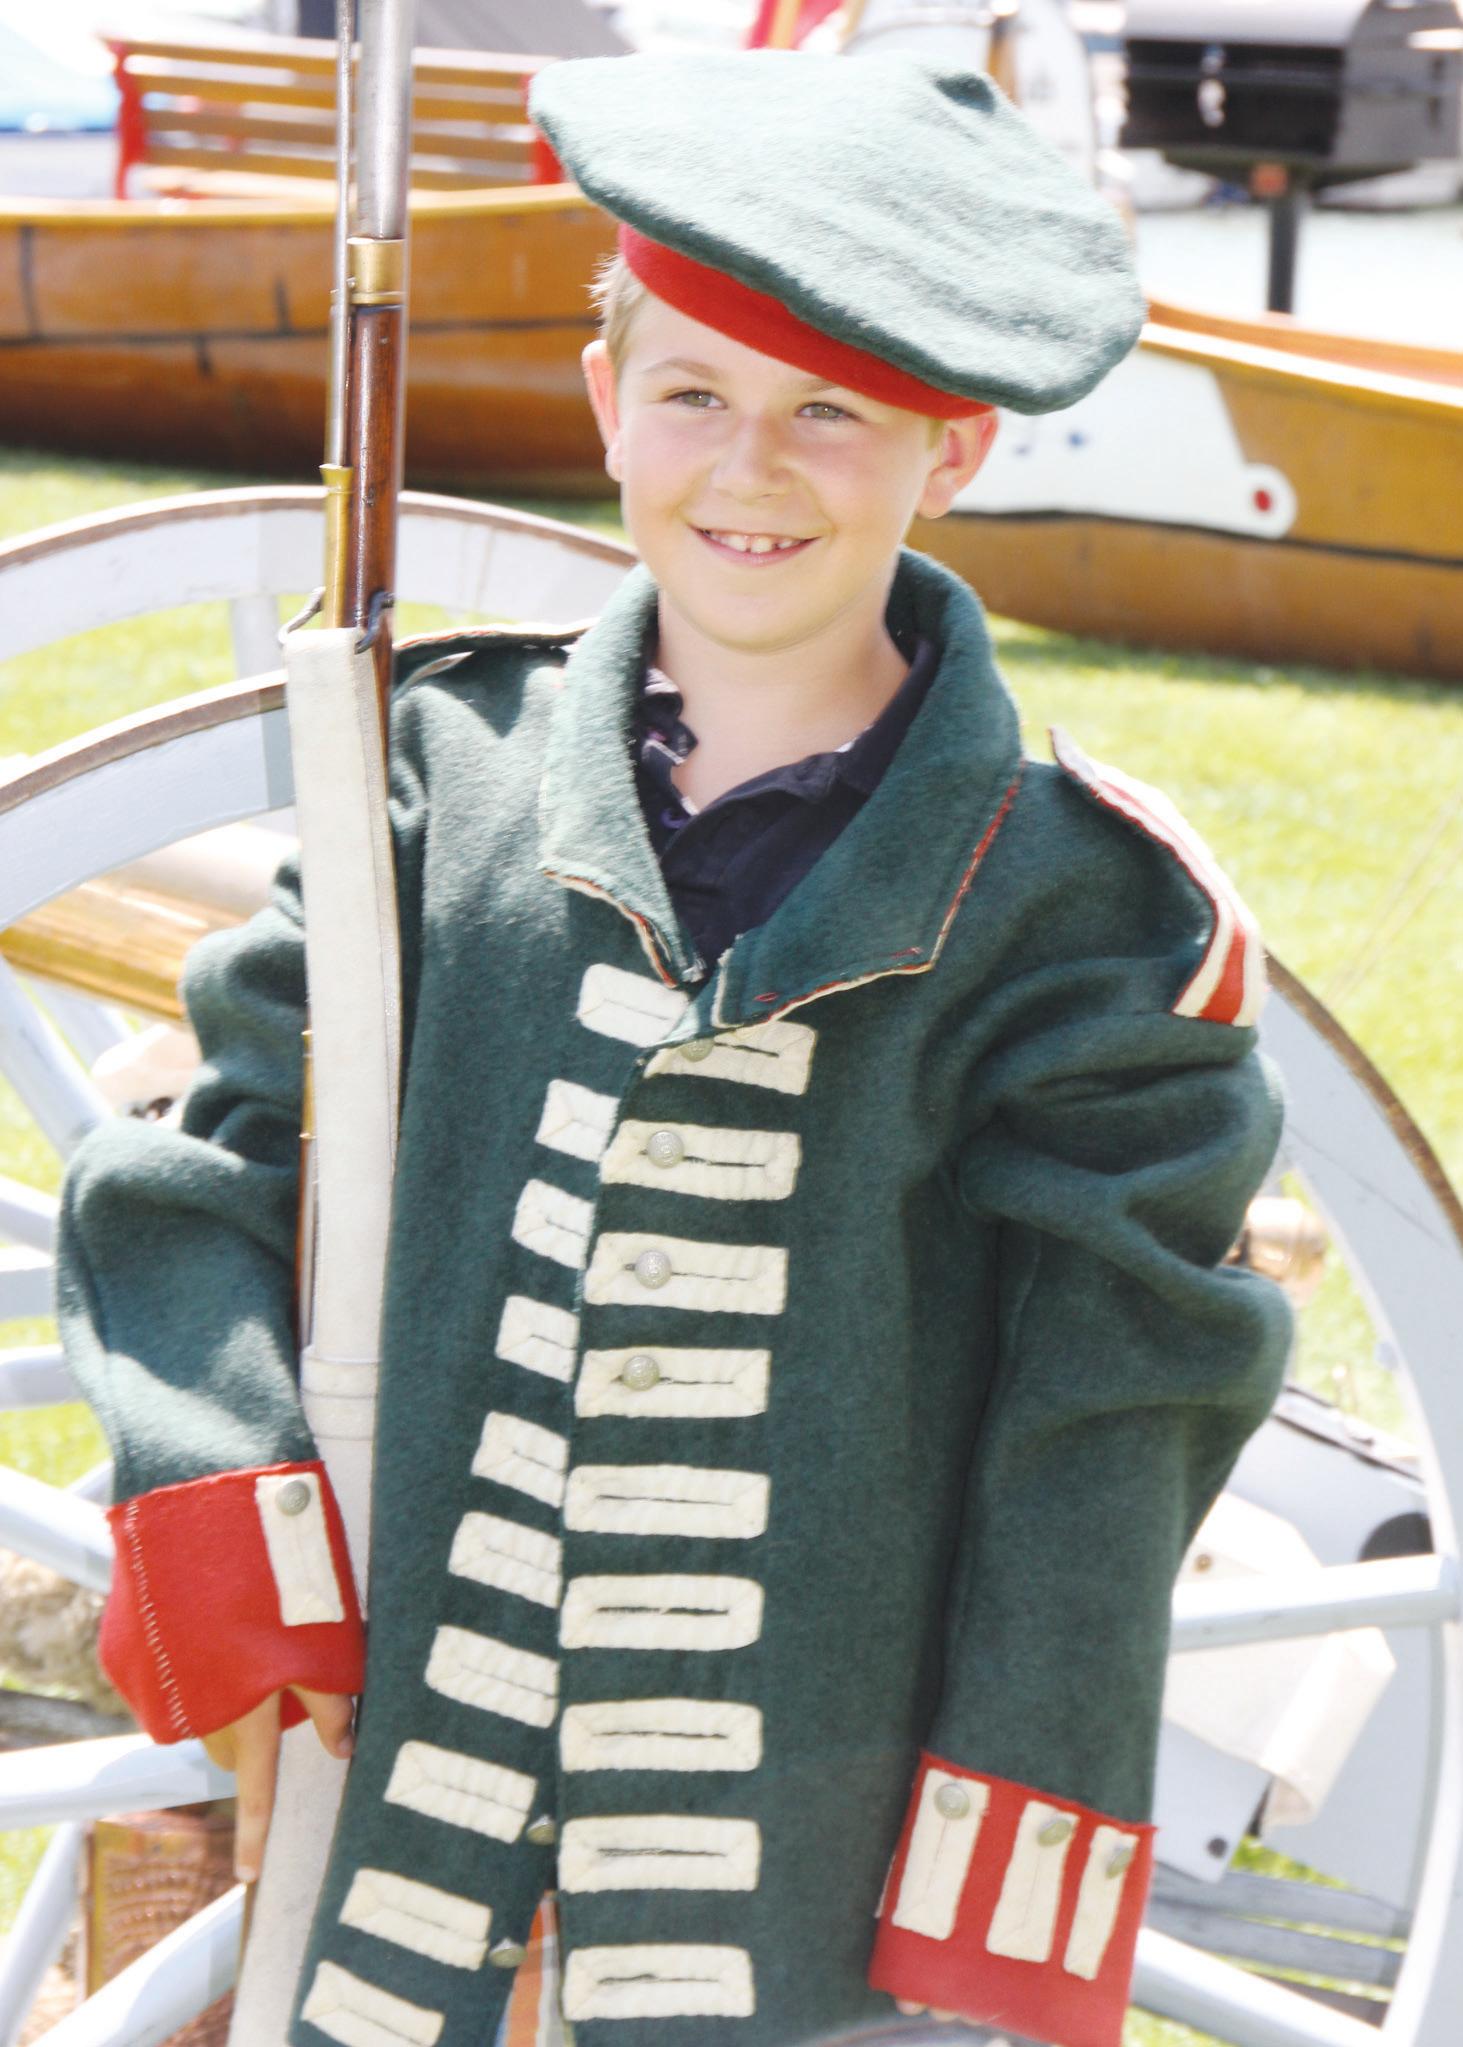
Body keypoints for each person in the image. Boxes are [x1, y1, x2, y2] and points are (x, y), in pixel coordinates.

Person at [56, 48, 1292, 2047]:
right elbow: (201, 1164)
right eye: (696, 394)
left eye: (831, 413)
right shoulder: (439, 776)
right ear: (604, 396)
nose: (751, 469)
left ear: (954, 449)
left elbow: (1116, 1410)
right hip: (407, 1801)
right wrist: (246, 1542)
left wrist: (995, 1866)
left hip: (804, 1856)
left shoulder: (1083, 912)